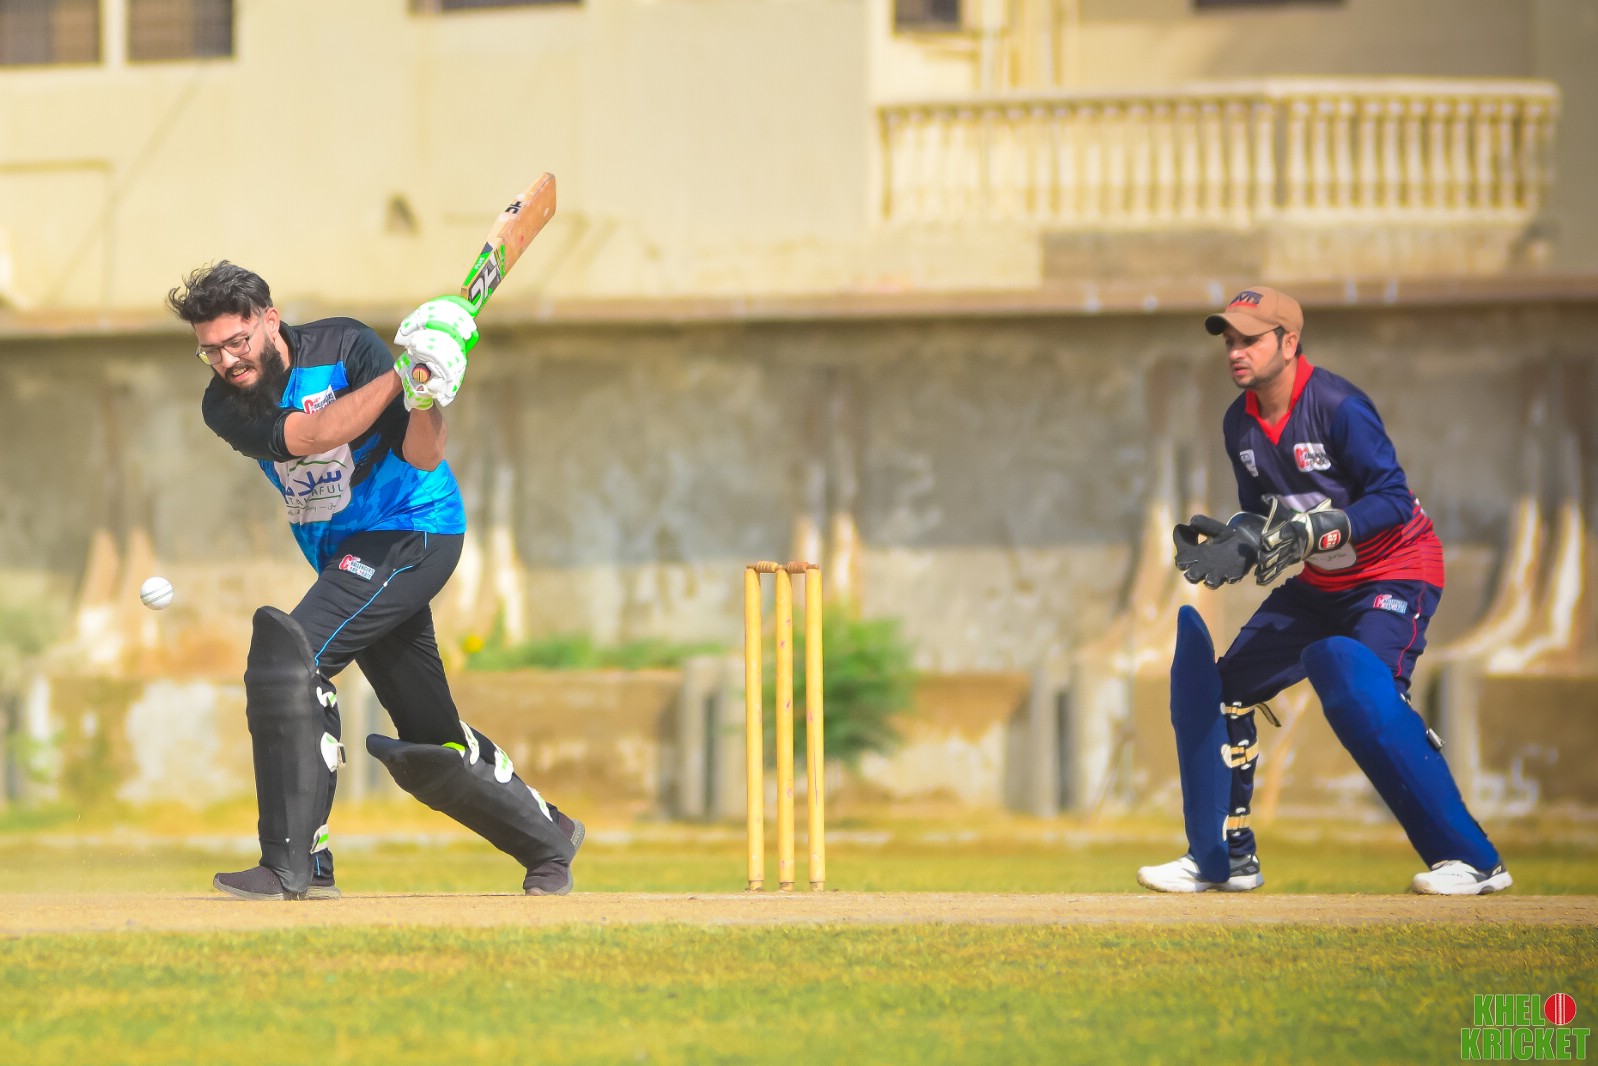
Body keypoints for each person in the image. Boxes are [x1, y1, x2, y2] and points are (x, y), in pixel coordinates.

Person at [167, 261, 583, 900]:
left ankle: (296, 865)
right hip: (347, 556)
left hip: (413, 530)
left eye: (237, 341)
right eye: (211, 350)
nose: (227, 360)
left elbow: (423, 453)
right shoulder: (224, 404)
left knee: (291, 659)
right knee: (429, 735)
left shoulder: (347, 346)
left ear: (270, 320)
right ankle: (548, 840)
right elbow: (314, 435)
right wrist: (404, 373)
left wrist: (427, 392)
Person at [1140, 285, 1509, 897]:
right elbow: (1264, 513)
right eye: (1229, 341)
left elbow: (1392, 499)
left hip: (1396, 570)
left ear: (1289, 342)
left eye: (1250, 339)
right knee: (1223, 690)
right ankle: (1225, 858)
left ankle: (1471, 860)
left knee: (1367, 695)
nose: (1235, 352)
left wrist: (1322, 527)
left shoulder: (1339, 406)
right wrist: (1243, 539)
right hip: (1321, 584)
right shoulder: (1238, 423)